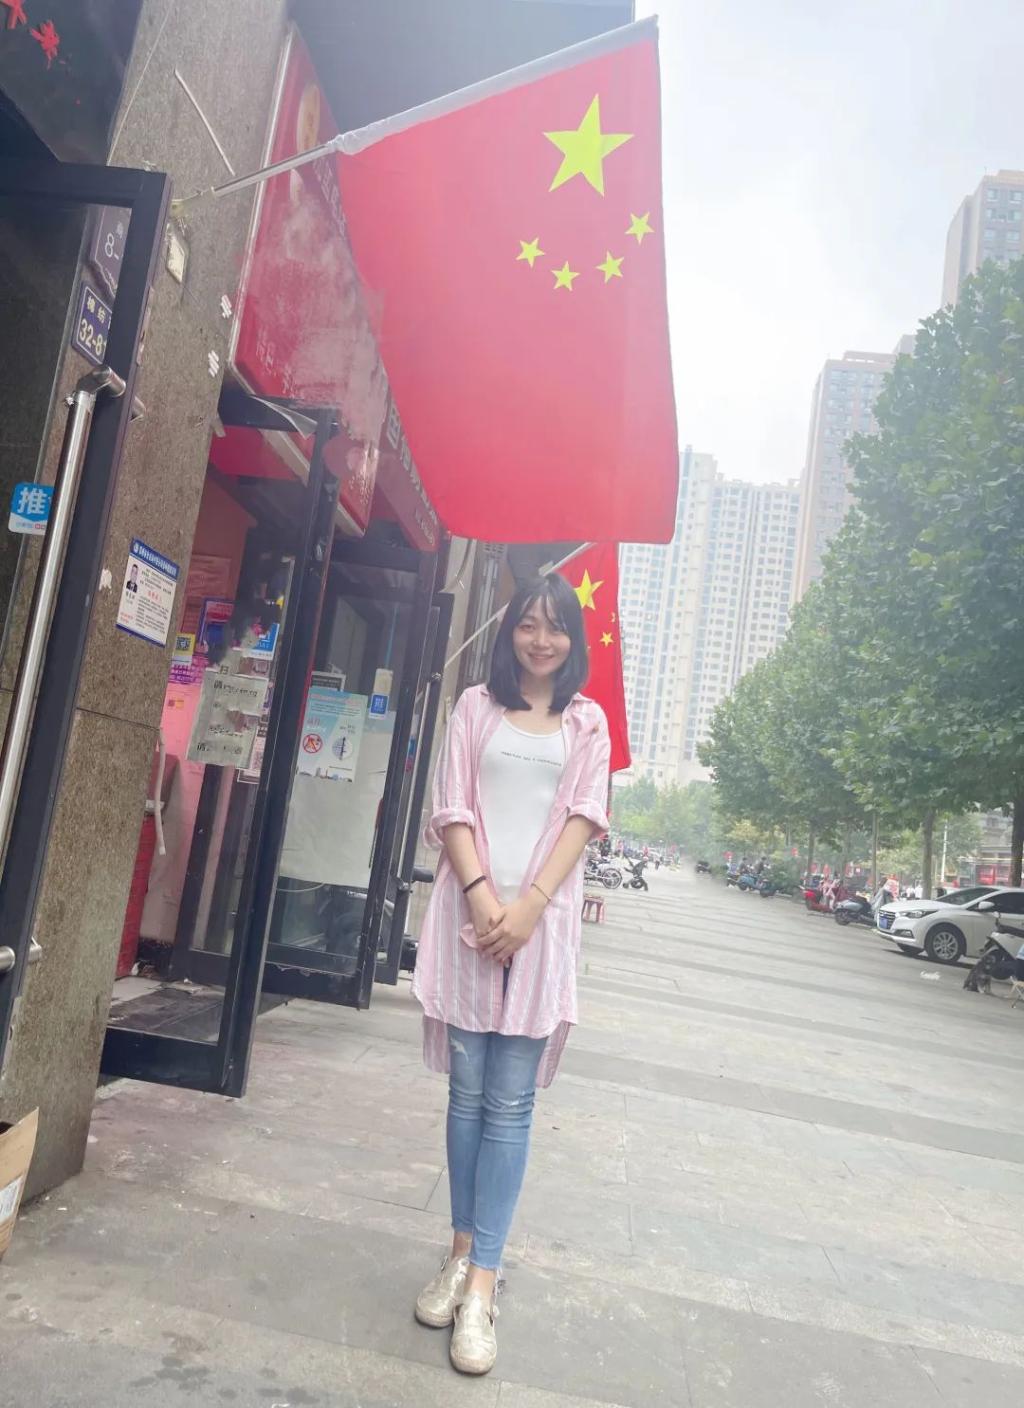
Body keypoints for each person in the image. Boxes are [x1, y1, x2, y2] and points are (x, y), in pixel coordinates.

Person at [411, 574, 611, 1376]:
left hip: (540, 929)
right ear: (509, 632)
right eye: (528, 623)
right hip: (469, 921)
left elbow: (583, 818)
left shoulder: (586, 723)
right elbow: (452, 806)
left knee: (510, 1105)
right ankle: (460, 1253)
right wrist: (482, 896)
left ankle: (485, 1284)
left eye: (555, 627)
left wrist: (527, 908)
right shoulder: (474, 708)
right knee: (466, 1098)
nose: (541, 640)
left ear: (573, 640)